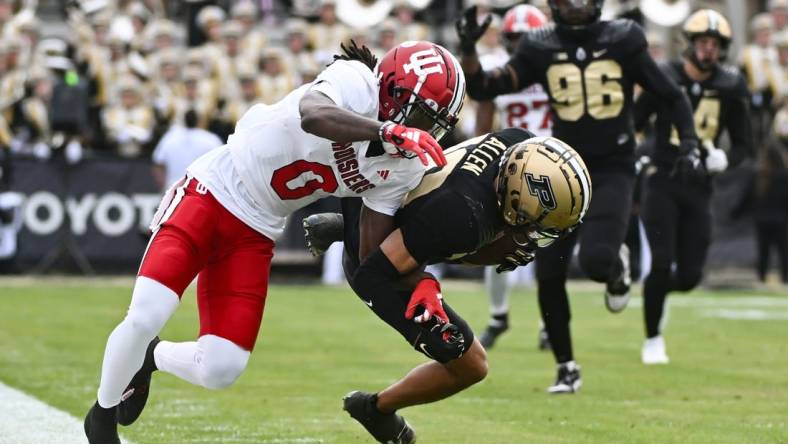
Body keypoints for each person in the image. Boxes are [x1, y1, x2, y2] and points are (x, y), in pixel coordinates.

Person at [82, 40, 465, 444]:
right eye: (422, 115)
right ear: (393, 89)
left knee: (221, 368)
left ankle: (151, 358)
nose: (426, 130)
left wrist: (421, 277)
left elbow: (372, 251)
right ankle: (102, 417)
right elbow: (313, 115)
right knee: (146, 313)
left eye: (436, 122)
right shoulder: (356, 81)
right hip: (213, 190)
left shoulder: (402, 166)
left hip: (258, 228)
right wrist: (386, 130)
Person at [455, 0, 698, 392]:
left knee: (597, 261)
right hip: (562, 166)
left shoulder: (624, 38)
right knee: (548, 273)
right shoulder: (540, 45)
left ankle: (615, 265)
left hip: (613, 167)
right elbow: (485, 86)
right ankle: (566, 366)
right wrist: (468, 49)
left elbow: (671, 94)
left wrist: (688, 141)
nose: (575, 6)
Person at [305, 129, 592, 443]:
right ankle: (376, 409)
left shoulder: (518, 142)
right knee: (468, 364)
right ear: (514, 198)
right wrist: (428, 283)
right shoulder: (465, 214)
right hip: (374, 259)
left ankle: (346, 224)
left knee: (440, 234)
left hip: (400, 205)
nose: (536, 234)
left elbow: (440, 227)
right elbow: (373, 273)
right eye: (537, 222)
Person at [634, 9, 753, 364]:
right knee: (661, 262)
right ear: (690, 44)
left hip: (700, 184)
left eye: (714, 44)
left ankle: (655, 296)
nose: (708, 50)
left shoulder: (730, 84)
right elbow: (635, 122)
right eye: (702, 42)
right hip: (663, 179)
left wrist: (724, 159)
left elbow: (745, 144)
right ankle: (653, 339)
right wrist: (644, 156)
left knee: (689, 276)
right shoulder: (666, 77)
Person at [472, 3, 552, 350]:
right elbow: (483, 123)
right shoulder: (496, 70)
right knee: (498, 242)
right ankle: (498, 316)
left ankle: (549, 323)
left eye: (525, 38)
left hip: (554, 165)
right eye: (514, 38)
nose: (519, 46)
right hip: (514, 165)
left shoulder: (554, 66)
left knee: (552, 247)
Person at [151, 109, 223, 191]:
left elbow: (158, 164)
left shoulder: (170, 137)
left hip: (174, 189)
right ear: (199, 121)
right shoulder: (211, 139)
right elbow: (221, 166)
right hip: (200, 191)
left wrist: (163, 186)